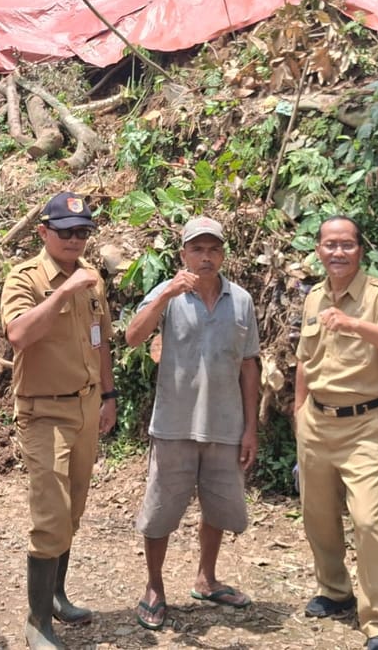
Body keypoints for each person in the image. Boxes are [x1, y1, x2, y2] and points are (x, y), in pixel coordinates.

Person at [125, 216, 261, 631]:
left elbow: (250, 365)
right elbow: (132, 337)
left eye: (213, 249)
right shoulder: (168, 296)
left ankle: (207, 578)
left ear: (222, 254)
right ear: (183, 254)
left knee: (218, 507)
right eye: (197, 249)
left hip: (225, 424)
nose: (206, 257)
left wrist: (251, 427)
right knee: (162, 510)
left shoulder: (241, 300)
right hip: (174, 424)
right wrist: (166, 292)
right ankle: (154, 588)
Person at [0, 192, 117, 650]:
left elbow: (100, 342)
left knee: (72, 509)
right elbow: (18, 335)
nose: (75, 239)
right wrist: (64, 291)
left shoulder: (92, 280)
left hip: (86, 406)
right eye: (66, 231)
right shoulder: (25, 278)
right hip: (43, 409)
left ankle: (56, 596)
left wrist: (108, 396)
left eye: (83, 231)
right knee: (50, 516)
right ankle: (36, 621)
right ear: (43, 232)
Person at [293, 216, 378, 650]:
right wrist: (297, 413)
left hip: (364, 424)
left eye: (346, 244)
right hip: (316, 421)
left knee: (366, 520)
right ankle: (335, 590)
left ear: (360, 249)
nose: (338, 252)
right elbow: (305, 360)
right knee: (318, 516)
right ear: (319, 250)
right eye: (330, 245)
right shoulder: (314, 297)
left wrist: (356, 325)